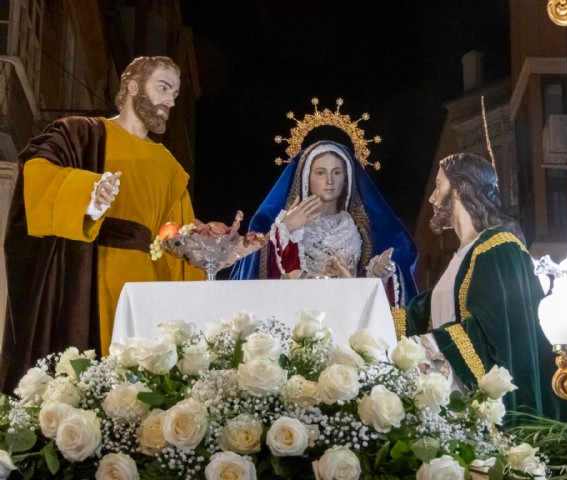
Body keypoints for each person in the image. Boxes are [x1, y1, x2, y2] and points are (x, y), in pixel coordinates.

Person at [0, 56, 203, 392]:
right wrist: (87, 195)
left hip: (143, 283)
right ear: (134, 86)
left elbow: (175, 236)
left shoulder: (169, 165)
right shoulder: (78, 133)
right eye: (164, 88)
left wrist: (212, 254)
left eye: (175, 94)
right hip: (85, 273)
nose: (170, 100)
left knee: (139, 383)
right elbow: (37, 173)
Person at [405, 152, 567, 420]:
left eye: (438, 186)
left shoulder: (499, 247)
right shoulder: (462, 258)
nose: (432, 198)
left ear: (459, 188)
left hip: (486, 407)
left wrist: (428, 346)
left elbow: (497, 332)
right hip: (452, 404)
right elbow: (417, 316)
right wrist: (360, 286)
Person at [231, 140, 418, 307]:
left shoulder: (360, 227)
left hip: (346, 312)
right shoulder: (288, 223)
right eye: (320, 173)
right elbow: (253, 268)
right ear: (307, 177)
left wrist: (379, 275)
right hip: (300, 313)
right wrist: (286, 228)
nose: (329, 181)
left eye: (337, 172)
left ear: (346, 179)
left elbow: (365, 288)